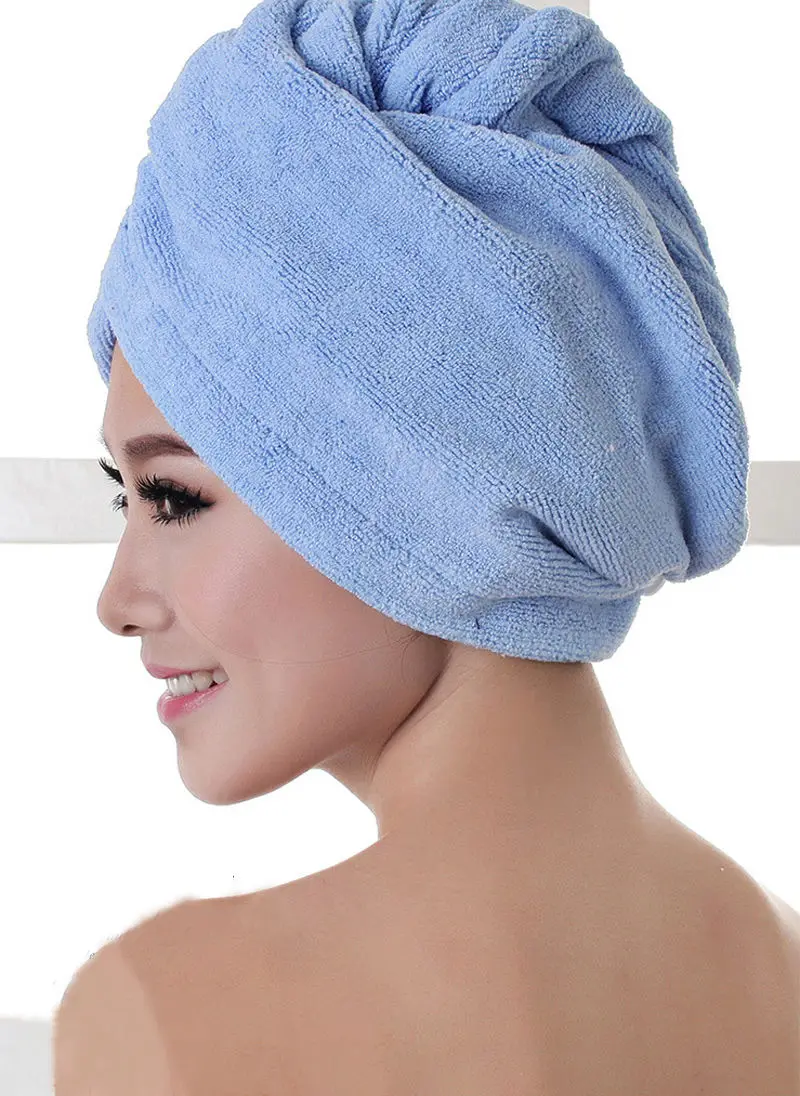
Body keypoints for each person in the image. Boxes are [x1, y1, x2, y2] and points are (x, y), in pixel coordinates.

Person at [53, 0, 800, 1089]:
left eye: (174, 497)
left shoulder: (177, 1015)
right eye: (125, 498)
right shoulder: (776, 966)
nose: (117, 602)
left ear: (428, 481)